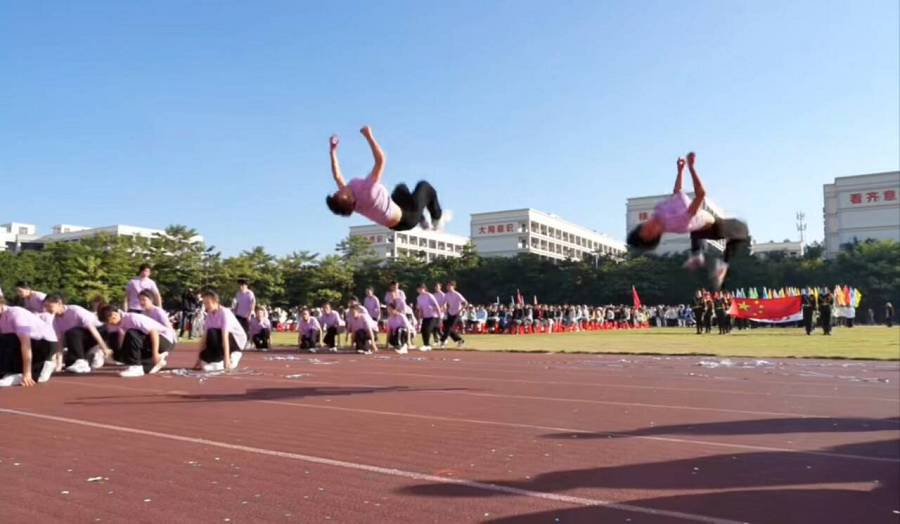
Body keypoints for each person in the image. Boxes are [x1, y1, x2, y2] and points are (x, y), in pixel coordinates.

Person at [627, 153, 750, 290]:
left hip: (699, 232)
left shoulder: (661, 211)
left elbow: (677, 192)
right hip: (714, 228)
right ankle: (719, 264)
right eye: (650, 231)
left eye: (644, 227)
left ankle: (697, 254)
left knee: (702, 233)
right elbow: (701, 195)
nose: (650, 224)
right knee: (741, 228)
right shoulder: (678, 220)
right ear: (657, 235)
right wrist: (691, 168)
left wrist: (680, 171)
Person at [326, 125, 444, 231]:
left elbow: (337, 175)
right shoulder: (367, 192)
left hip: (395, 217)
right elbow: (380, 160)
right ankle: (436, 219)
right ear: (350, 200)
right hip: (407, 218)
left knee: (401, 188)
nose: (338, 190)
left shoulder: (352, 199)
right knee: (424, 186)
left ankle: (422, 220)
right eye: (339, 194)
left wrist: (332, 151)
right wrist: (369, 136)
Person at [44, 293, 111, 373]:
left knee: (72, 332)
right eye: (45, 307)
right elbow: (60, 343)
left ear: (59, 303)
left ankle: (83, 361)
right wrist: (59, 365)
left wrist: (104, 347)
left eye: (49, 306)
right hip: (81, 337)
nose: (47, 309)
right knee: (70, 363)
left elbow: (92, 329)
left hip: (100, 331)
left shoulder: (75, 310)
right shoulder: (55, 321)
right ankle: (92, 355)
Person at [98, 306, 173, 377]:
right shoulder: (120, 323)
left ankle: (136, 367)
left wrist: (155, 353)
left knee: (131, 333)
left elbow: (154, 332)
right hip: (150, 341)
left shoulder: (133, 318)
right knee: (146, 369)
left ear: (114, 315)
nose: (111, 324)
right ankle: (156, 360)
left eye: (111, 322)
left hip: (164, 339)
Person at [0, 298, 57, 386]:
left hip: (44, 343)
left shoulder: (15, 314)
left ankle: (42, 367)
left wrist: (27, 373)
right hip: (23, 342)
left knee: (8, 339)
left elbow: (26, 344)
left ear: (1, 303)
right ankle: (7, 372)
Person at [194, 290, 245, 371]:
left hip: (235, 340)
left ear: (216, 302)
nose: (206, 306)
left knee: (214, 333)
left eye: (208, 303)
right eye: (204, 303)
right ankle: (216, 359)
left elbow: (225, 338)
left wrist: (226, 361)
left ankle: (231, 356)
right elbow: (204, 338)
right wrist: (199, 359)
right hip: (220, 337)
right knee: (211, 333)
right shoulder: (209, 314)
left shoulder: (225, 313)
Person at [415, 283, 441, 351]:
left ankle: (427, 345)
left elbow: (437, 305)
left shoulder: (429, 295)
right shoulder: (419, 298)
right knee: (423, 330)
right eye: (418, 289)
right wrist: (419, 320)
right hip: (426, 316)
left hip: (433, 316)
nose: (420, 290)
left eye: (421, 288)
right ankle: (426, 344)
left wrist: (440, 317)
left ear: (424, 288)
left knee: (427, 329)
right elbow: (420, 309)